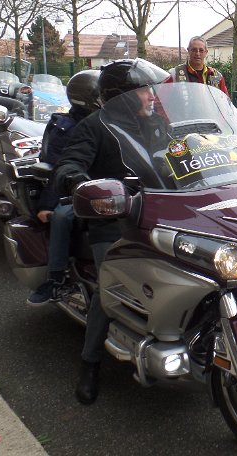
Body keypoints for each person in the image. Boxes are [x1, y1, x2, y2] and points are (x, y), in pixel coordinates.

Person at [53, 58, 170, 406]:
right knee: (113, 289)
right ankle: (90, 363)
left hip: (162, 213)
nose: (152, 96)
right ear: (125, 96)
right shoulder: (95, 126)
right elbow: (69, 163)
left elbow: (179, 153)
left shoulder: (155, 123)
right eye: (146, 91)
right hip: (112, 220)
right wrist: (79, 181)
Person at [26, 69, 101, 306]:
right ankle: (55, 278)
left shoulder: (110, 121)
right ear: (86, 99)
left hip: (111, 184)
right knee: (61, 216)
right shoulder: (65, 128)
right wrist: (48, 204)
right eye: (100, 95)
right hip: (76, 188)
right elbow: (58, 168)